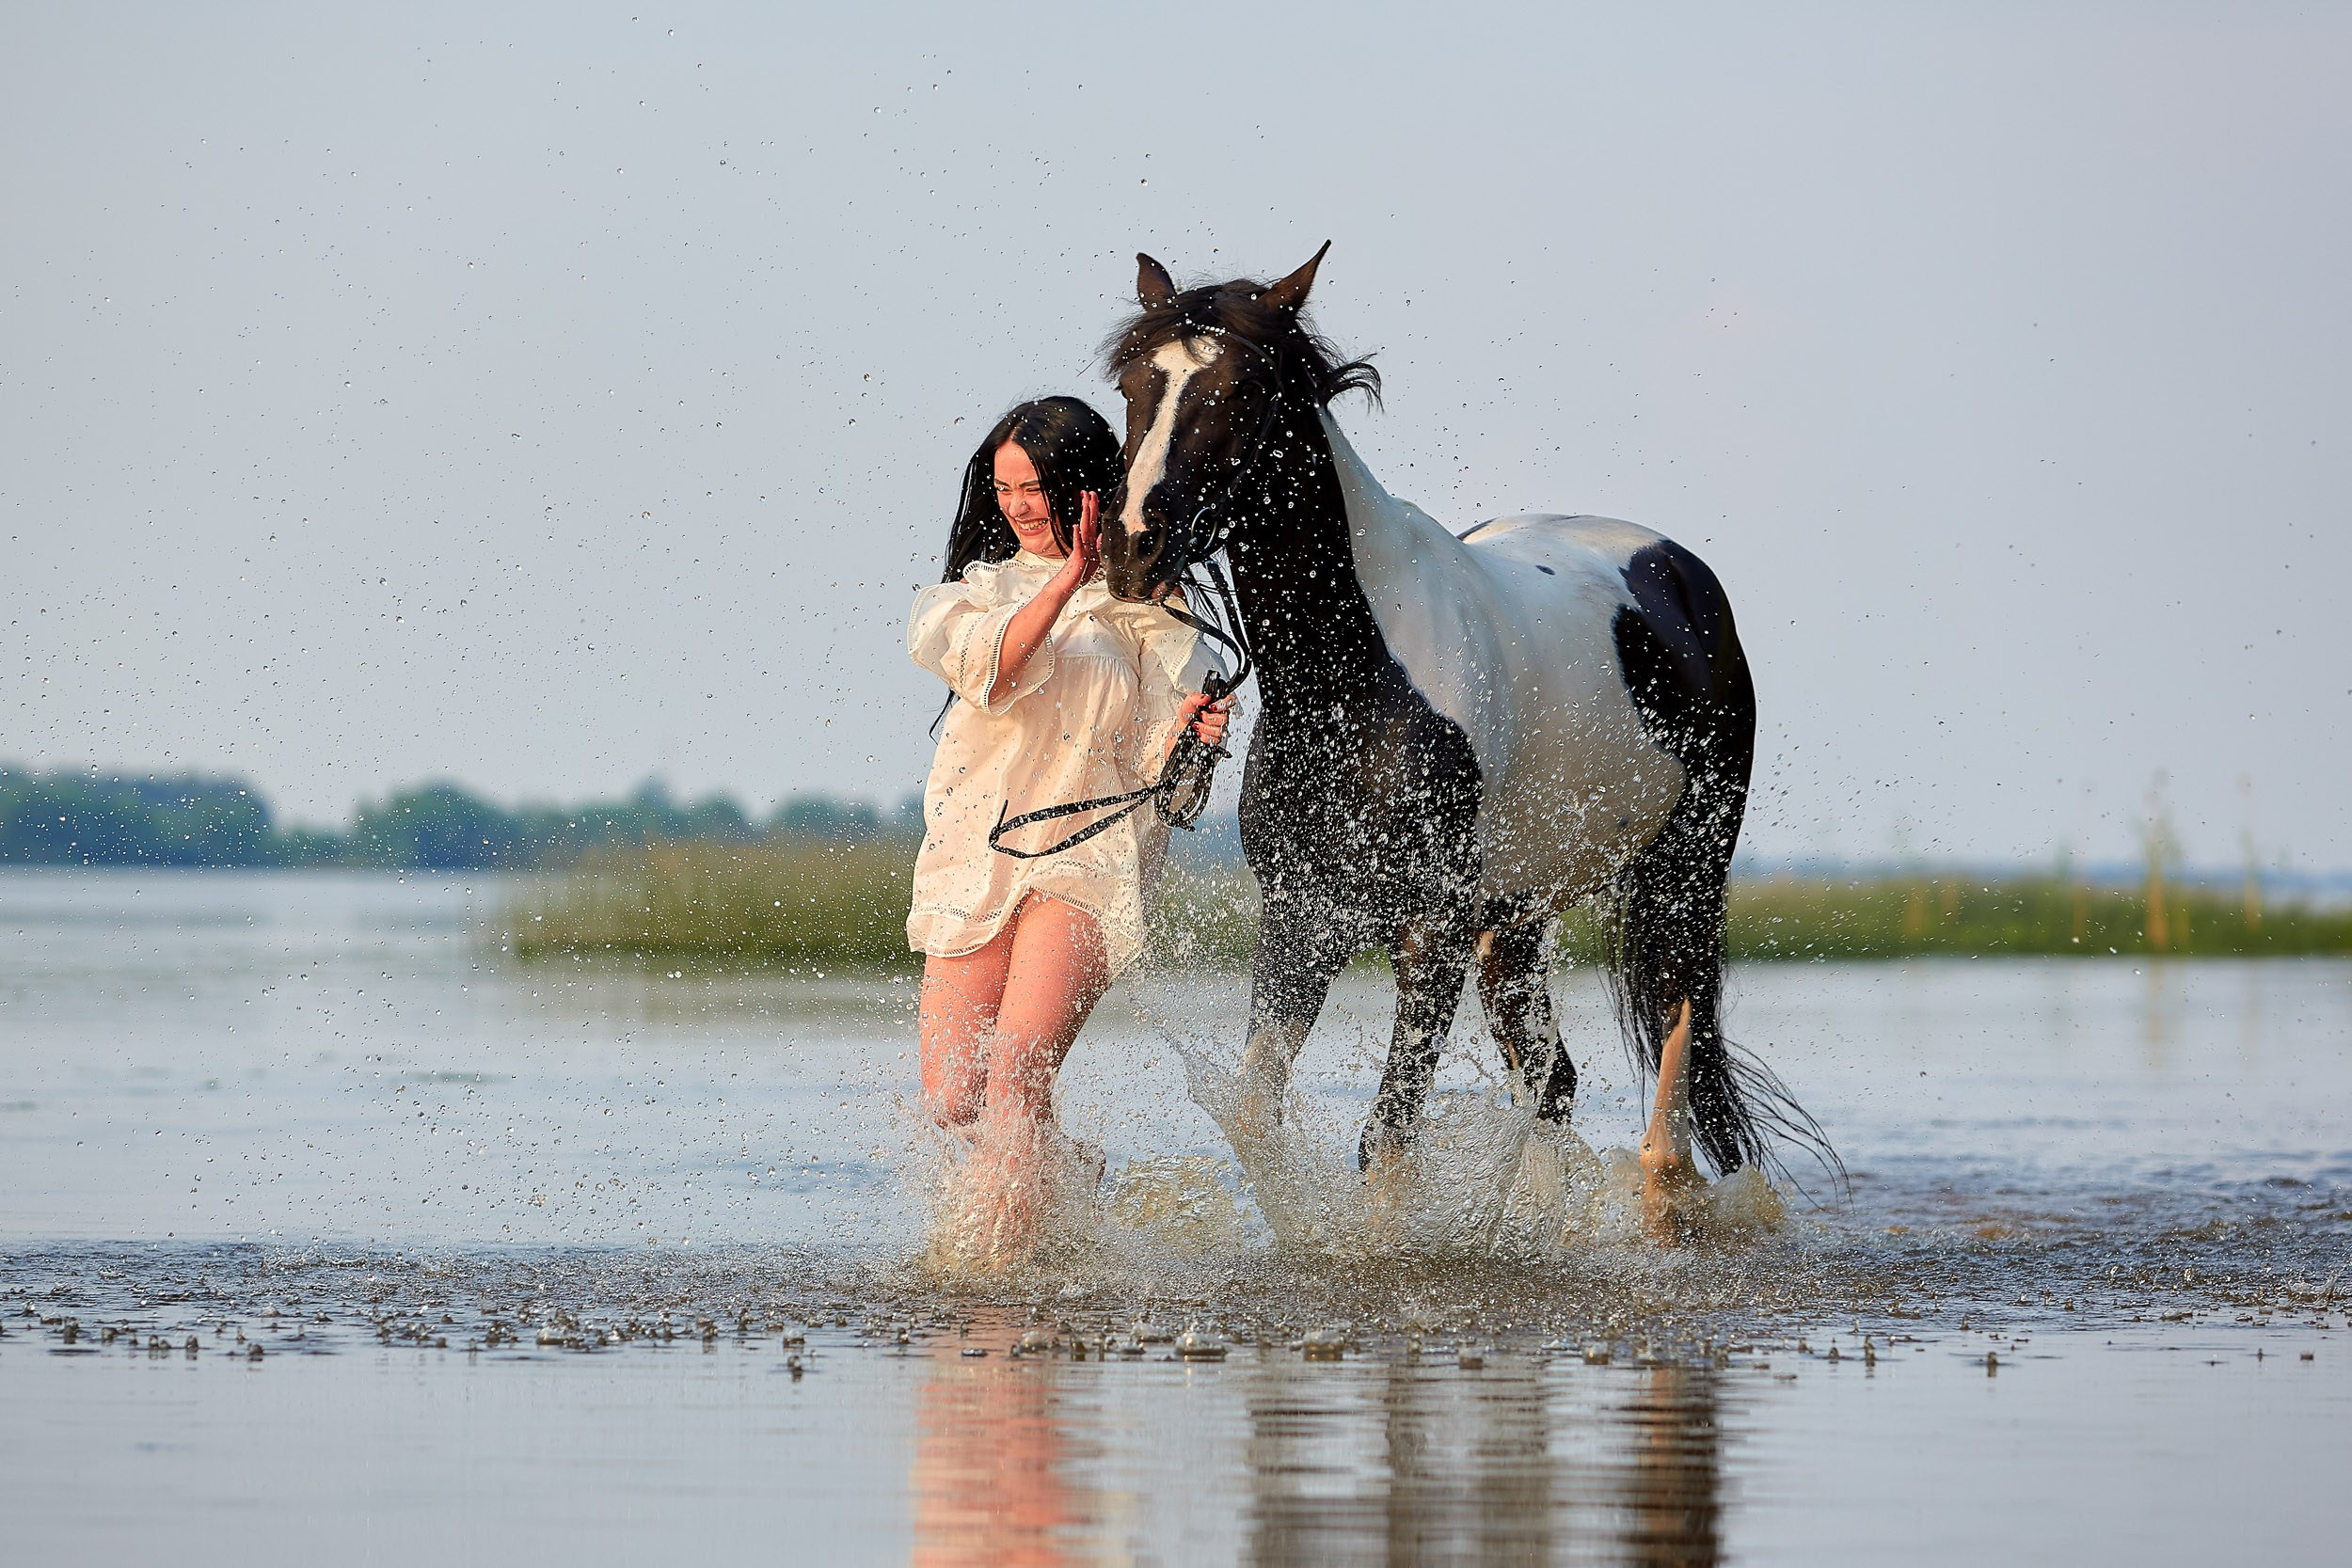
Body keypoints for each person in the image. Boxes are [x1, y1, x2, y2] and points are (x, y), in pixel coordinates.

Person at [906, 397, 1231, 1239]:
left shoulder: (1154, 612)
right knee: (951, 1099)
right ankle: (1063, 1167)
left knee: (1014, 1072)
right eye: (1003, 487)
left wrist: (1193, 742)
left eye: (1034, 487)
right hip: (974, 858)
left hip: (1088, 860)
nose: (1015, 505)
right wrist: (1063, 578)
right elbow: (1001, 670)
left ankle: (999, 1291)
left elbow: (1173, 789)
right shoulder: (963, 600)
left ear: (1085, 488)